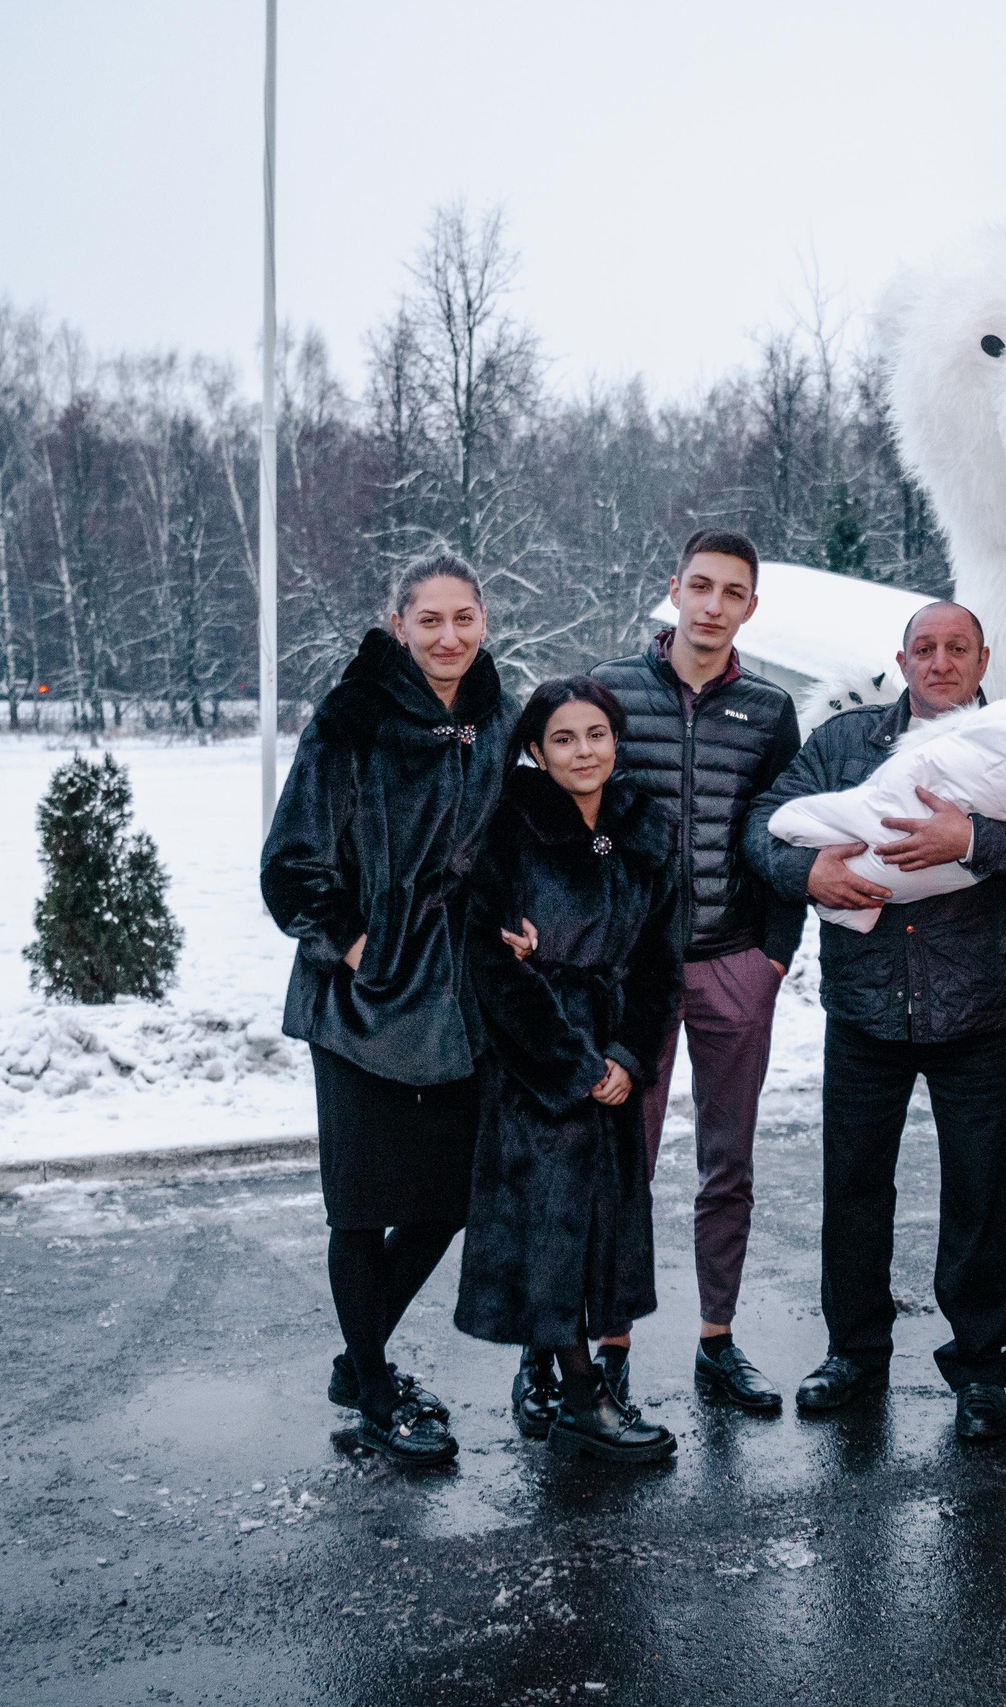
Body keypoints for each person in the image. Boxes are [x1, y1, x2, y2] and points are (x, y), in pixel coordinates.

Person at [746, 600, 1006, 1443]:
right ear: (902, 660)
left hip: (975, 1004)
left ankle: (978, 1370)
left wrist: (972, 838)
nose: (940, 662)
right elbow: (763, 824)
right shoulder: (845, 742)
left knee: (979, 1194)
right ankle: (855, 1352)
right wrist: (809, 872)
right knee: (855, 1187)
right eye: (925, 649)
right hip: (864, 1004)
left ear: (982, 659)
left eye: (957, 648)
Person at [258, 559, 515, 1470]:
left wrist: (510, 925)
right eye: (430, 619)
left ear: (485, 620)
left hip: (457, 1003)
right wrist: (356, 944)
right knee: (363, 1208)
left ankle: (356, 1352)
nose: (449, 636)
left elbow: (509, 845)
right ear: (397, 621)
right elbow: (289, 864)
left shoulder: (497, 716)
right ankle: (373, 1391)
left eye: (465, 617)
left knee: (448, 1199)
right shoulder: (353, 717)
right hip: (359, 1007)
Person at [581, 529, 805, 1421]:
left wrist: (776, 953)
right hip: (627, 973)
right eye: (700, 586)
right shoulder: (610, 689)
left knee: (728, 1162)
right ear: (672, 588)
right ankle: (610, 1343)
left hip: (732, 964)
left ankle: (717, 1339)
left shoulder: (770, 709)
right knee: (617, 1159)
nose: (713, 605)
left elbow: (792, 831)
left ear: (751, 606)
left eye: (733, 592)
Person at [454, 679, 685, 1463]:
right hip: (539, 1060)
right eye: (563, 738)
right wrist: (572, 1064)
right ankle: (582, 1399)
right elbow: (487, 952)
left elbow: (661, 957)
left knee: (600, 1225)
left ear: (616, 740)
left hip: (614, 1049)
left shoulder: (646, 827)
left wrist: (627, 1056)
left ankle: (557, 1377)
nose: (583, 751)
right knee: (548, 1225)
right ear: (535, 749)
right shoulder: (509, 828)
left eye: (596, 734)